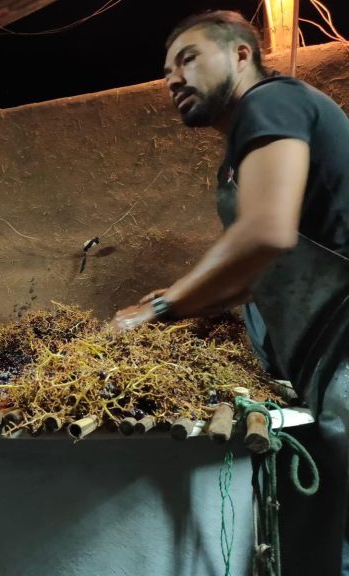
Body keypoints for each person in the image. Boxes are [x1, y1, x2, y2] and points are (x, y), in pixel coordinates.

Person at [111, 11, 349, 575]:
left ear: (243, 54)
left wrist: (160, 308)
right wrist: (181, 302)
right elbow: (251, 279)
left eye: (188, 58)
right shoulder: (237, 161)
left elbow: (266, 231)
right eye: (166, 71)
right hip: (324, 359)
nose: (173, 78)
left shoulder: (271, 101)